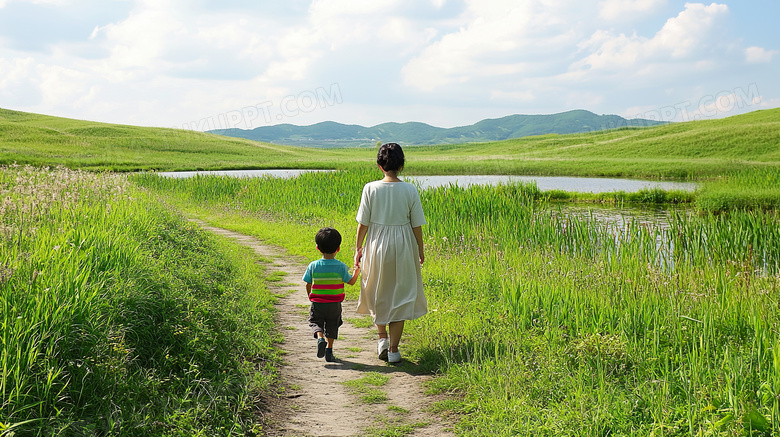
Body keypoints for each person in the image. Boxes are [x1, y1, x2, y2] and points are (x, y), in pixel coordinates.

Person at [354, 142, 427, 363]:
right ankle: (394, 350)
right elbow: (417, 225)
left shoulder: (370, 188)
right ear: (402, 165)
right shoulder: (410, 189)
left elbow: (363, 223)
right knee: (401, 294)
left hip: (376, 243)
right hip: (404, 244)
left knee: (378, 289)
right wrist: (420, 249)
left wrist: (358, 248)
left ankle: (382, 338)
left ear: (379, 165)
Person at [302, 227, 360, 362]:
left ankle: (320, 337)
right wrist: (356, 272)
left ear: (318, 248)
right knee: (332, 325)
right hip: (335, 304)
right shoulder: (341, 266)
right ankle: (329, 350)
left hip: (318, 303)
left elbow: (307, 283)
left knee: (316, 322)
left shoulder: (313, 265)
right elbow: (350, 282)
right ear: (338, 248)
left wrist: (310, 295)